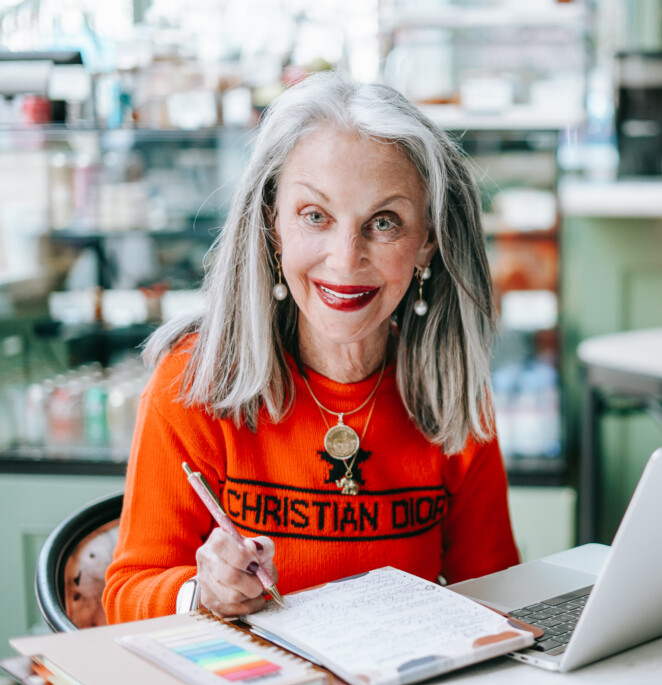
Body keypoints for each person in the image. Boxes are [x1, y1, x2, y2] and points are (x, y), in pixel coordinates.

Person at [103, 72, 520, 622]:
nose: (346, 260)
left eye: (385, 222)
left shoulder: (453, 395)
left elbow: (495, 597)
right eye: (315, 216)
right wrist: (201, 593)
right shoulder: (195, 382)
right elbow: (126, 595)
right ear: (273, 225)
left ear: (426, 244)